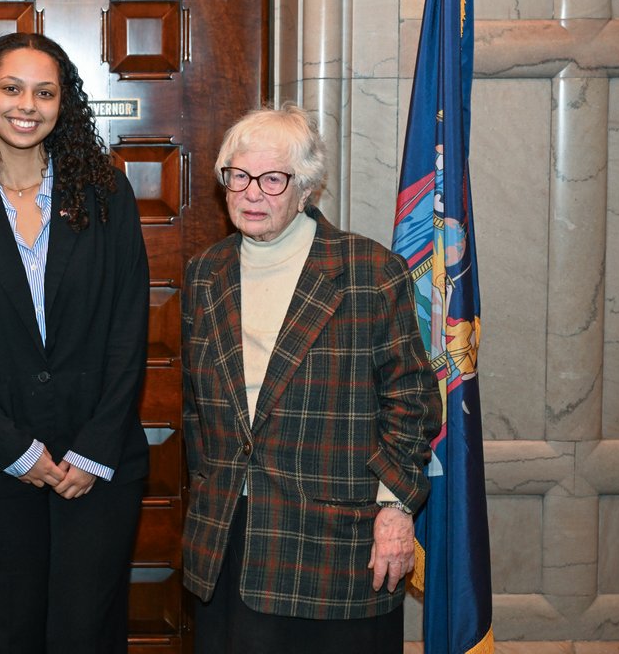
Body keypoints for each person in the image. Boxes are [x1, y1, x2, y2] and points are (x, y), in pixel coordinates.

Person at [0, 32, 150, 653]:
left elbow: (130, 330)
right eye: (12, 88)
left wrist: (95, 449)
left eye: (45, 92)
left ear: (62, 104)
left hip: (96, 470)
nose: (28, 105)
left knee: (87, 635)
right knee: (1, 635)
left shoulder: (107, 197)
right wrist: (18, 451)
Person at [181, 104, 441, 654]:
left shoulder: (368, 271)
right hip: (229, 531)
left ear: (306, 189)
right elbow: (195, 408)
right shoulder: (207, 272)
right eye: (238, 176)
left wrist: (395, 512)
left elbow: (413, 401)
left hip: (336, 543)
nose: (251, 193)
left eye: (272, 179)